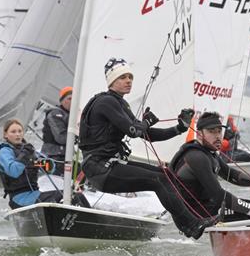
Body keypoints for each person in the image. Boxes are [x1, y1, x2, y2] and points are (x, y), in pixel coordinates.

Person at [78, 57, 214, 239]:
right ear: (111, 81)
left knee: (166, 175)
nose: (128, 81)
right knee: (159, 179)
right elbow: (134, 130)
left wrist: (179, 127)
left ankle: (189, 223)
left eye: (130, 77)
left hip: (110, 165)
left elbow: (148, 135)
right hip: (99, 169)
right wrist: (146, 122)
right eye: (122, 77)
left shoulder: (119, 103)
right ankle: (192, 224)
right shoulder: (106, 102)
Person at [169, 112, 250, 222]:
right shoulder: (196, 157)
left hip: (205, 208)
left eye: (219, 131)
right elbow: (219, 195)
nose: (217, 136)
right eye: (211, 132)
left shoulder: (208, 152)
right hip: (192, 215)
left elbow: (230, 174)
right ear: (199, 134)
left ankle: (248, 238)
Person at [0, 119, 88, 209]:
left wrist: (48, 165)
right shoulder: (4, 151)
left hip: (35, 194)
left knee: (76, 196)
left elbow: (50, 167)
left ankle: (95, 221)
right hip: (19, 199)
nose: (17, 134)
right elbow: (14, 171)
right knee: (68, 198)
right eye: (13, 132)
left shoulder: (27, 149)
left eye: (20, 131)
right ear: (5, 135)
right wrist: (25, 155)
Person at [40, 86, 72, 175]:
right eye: (69, 98)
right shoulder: (55, 114)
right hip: (52, 157)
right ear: (62, 101)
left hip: (64, 157)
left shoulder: (73, 116)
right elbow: (61, 138)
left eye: (74, 98)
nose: (72, 101)